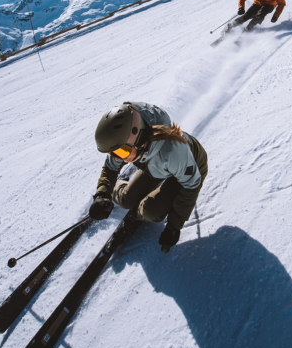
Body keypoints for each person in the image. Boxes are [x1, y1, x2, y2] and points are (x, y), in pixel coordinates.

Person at [89, 102, 208, 250]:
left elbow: (191, 185)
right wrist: (102, 194)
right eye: (113, 153)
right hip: (153, 165)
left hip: (189, 168)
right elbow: (111, 168)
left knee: (152, 211)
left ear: (138, 139)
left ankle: (136, 215)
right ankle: (120, 189)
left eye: (122, 153)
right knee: (126, 200)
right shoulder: (126, 139)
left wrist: (174, 225)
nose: (118, 159)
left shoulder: (171, 152)